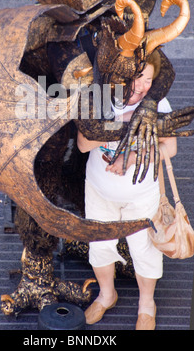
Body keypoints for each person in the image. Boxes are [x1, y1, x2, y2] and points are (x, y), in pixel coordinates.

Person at [77, 51, 177, 330]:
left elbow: (170, 147)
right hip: (99, 190)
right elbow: (83, 144)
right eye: (137, 78)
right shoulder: (100, 99)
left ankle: (147, 304)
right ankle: (107, 295)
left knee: (144, 250)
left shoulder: (157, 103)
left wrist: (132, 157)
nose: (143, 86)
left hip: (141, 195)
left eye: (148, 79)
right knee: (99, 247)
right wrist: (123, 127)